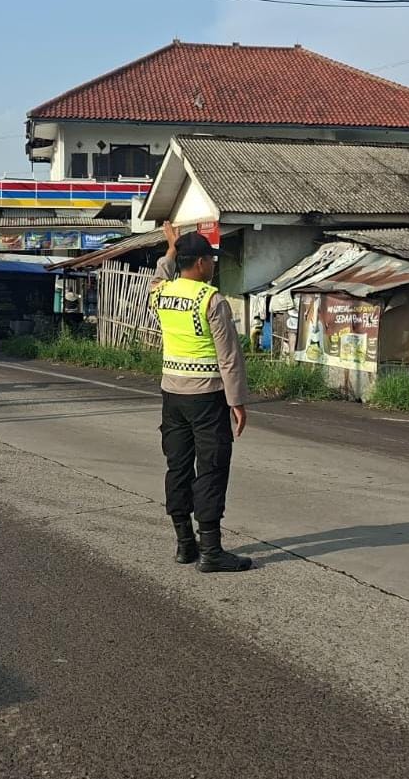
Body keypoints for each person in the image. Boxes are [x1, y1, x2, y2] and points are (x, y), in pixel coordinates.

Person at [149, 223, 251, 573]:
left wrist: (170, 250)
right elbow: (229, 356)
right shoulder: (211, 299)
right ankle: (211, 551)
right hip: (207, 396)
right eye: (211, 260)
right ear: (202, 262)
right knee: (210, 468)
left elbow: (159, 277)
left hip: (171, 395)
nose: (213, 266)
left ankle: (184, 544)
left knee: (177, 466)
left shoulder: (162, 294)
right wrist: (237, 402)